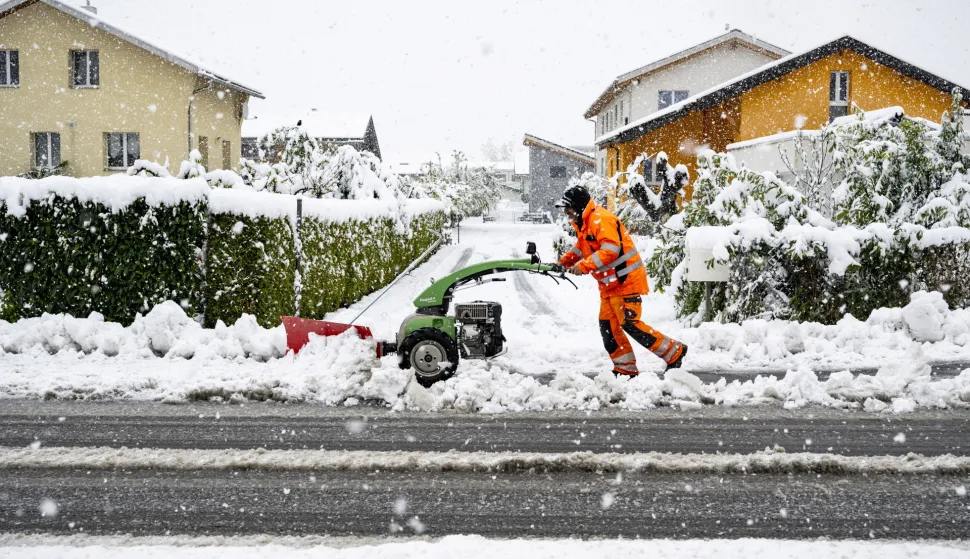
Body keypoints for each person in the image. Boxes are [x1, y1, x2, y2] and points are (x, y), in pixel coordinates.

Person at [555, 185, 687, 377]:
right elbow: (581, 248)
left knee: (631, 324)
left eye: (569, 209)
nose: (567, 214)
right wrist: (563, 262)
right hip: (610, 286)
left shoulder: (602, 220)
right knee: (608, 328)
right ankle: (625, 369)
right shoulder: (586, 223)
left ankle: (674, 351)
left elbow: (610, 250)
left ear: (580, 206)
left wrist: (583, 267)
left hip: (626, 281)